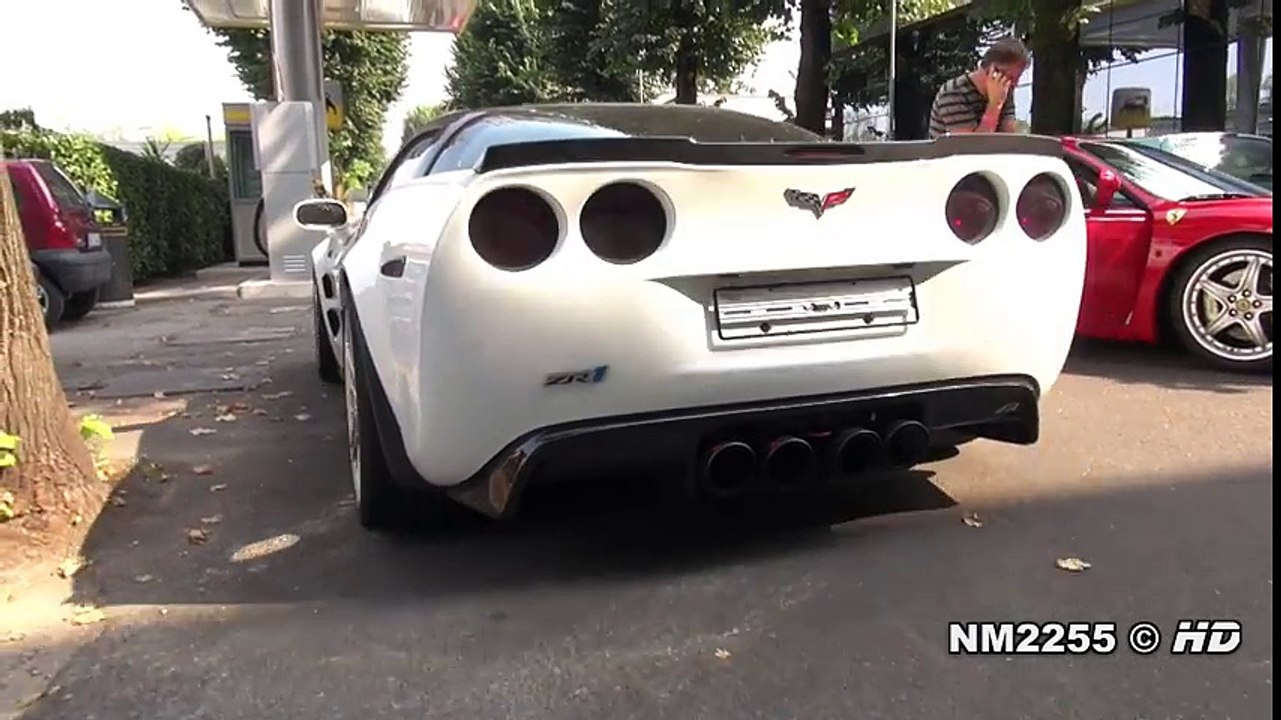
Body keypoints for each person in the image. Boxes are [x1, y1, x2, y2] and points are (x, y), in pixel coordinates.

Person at [927, 37, 1029, 138]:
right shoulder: (953, 93)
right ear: (993, 72)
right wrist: (994, 106)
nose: (1015, 84)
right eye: (1011, 77)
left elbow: (1009, 140)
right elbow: (972, 148)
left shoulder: (1005, 90)